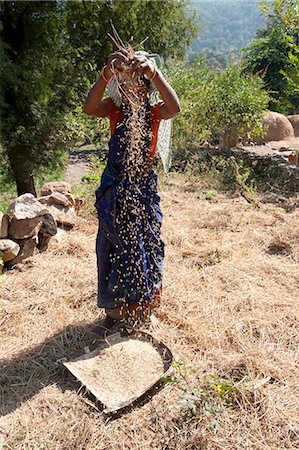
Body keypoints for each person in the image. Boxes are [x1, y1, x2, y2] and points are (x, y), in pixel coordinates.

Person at [83, 48, 180, 335]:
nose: (132, 87)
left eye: (139, 80)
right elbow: (89, 107)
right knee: (113, 248)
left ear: (147, 85)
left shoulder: (154, 113)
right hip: (116, 191)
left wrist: (155, 71)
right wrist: (106, 72)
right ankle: (114, 311)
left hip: (142, 190)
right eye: (126, 82)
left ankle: (142, 309)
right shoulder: (114, 110)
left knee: (144, 246)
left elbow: (174, 107)